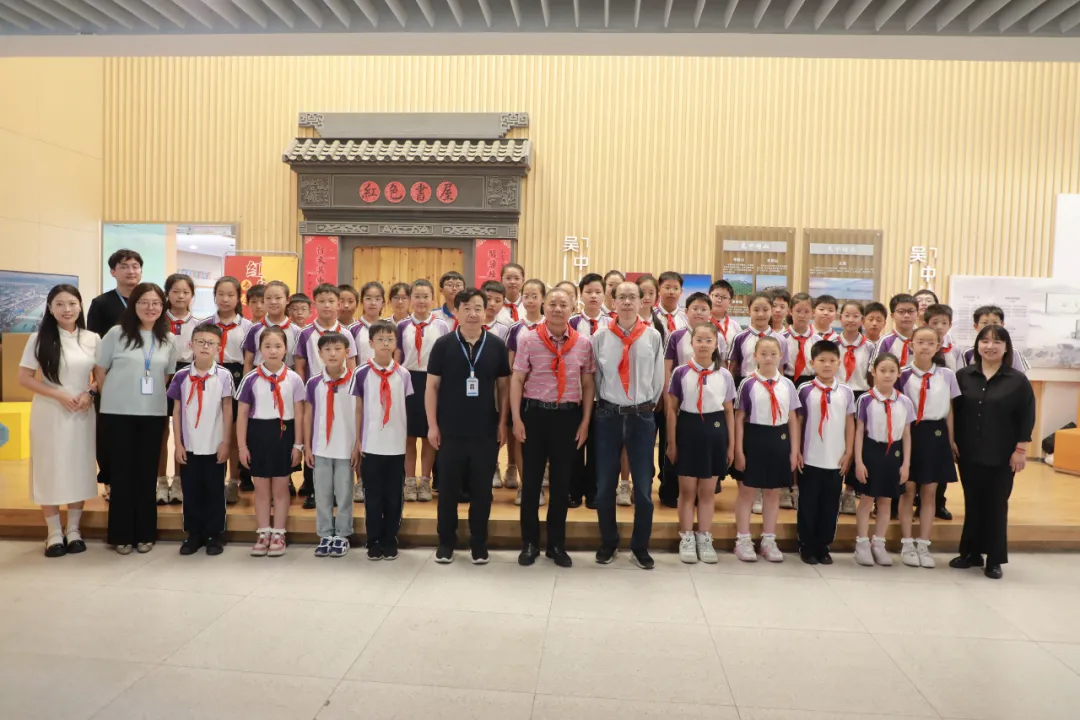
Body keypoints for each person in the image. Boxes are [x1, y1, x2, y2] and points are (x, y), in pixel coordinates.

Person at [511, 287, 595, 568]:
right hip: (534, 415)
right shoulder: (528, 339)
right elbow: (517, 379)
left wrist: (585, 421)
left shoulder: (583, 343)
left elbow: (587, 384)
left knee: (561, 485)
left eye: (563, 304)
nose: (558, 309)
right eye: (553, 304)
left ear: (573, 308)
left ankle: (556, 544)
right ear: (544, 307)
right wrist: (516, 419)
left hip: (567, 418)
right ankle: (530, 543)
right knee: (531, 483)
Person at [427, 288, 511, 564]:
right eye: (466, 308)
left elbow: (504, 389)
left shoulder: (496, 346)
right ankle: (445, 542)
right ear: (456, 311)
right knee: (448, 490)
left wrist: (502, 423)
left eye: (478, 308)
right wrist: (432, 425)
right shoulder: (443, 345)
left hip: (485, 431)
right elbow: (431, 387)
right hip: (449, 430)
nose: (473, 314)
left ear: (486, 312)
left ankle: (478, 543)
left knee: (482, 491)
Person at [93, 282, 178, 555]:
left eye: (156, 303)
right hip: (117, 414)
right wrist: (110, 396)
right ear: (134, 305)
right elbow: (100, 369)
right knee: (122, 474)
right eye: (144, 302)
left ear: (162, 306)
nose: (150, 307)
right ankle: (121, 534)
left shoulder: (169, 339)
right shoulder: (116, 334)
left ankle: (145, 533)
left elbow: (166, 376)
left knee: (146, 474)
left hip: (152, 414)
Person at [17, 284, 100, 557]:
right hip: (50, 412)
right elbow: (24, 378)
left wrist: (89, 393)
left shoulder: (92, 338)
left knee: (79, 466)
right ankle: (53, 532)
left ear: (80, 306)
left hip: (82, 412)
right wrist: (59, 394)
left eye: (72, 303)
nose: (67, 309)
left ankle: (73, 529)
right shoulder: (38, 339)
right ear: (50, 309)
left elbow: (101, 376)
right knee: (49, 467)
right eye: (60, 304)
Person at [951, 325, 1035, 580]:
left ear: (1006, 347)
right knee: (973, 502)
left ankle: (995, 559)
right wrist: (952, 441)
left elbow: (1027, 416)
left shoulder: (1017, 380)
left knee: (996, 505)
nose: (990, 346)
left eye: (997, 342)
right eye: (985, 341)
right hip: (968, 452)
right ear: (977, 345)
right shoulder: (963, 376)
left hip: (1002, 455)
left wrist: (1020, 450)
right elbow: (954, 412)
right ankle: (971, 553)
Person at [591, 281, 665, 570]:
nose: (626, 302)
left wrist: (645, 406)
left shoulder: (652, 336)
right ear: (613, 302)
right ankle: (608, 542)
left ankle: (640, 546)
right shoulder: (600, 336)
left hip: (641, 416)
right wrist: (606, 404)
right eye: (621, 297)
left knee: (644, 488)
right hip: (608, 415)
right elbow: (596, 377)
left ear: (642, 301)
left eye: (632, 297)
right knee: (604, 486)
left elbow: (658, 379)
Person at [666, 322, 735, 564]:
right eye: (699, 340)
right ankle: (686, 537)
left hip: (715, 434)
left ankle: (704, 537)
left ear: (716, 344)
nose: (704, 345)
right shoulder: (680, 372)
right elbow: (672, 409)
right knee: (687, 491)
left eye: (709, 340)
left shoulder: (724, 375)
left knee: (707, 492)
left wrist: (731, 445)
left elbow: (729, 411)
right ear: (691, 343)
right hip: (688, 431)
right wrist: (672, 443)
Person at [236, 326, 306, 557]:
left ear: (286, 349)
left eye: (278, 346)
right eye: (267, 346)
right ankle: (263, 531)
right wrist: (242, 446)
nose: (273, 351)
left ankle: (279, 532)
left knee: (281, 486)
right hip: (258, 434)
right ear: (260, 350)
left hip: (284, 434)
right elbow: (242, 415)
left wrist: (298, 445)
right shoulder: (250, 378)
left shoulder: (294, 379)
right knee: (261, 487)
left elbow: (299, 414)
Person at [895, 326, 959, 568]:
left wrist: (950, 440)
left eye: (931, 342)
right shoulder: (902, 374)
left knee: (929, 492)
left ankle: (923, 543)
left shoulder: (947, 375)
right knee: (908, 490)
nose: (925, 346)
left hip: (936, 434)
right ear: (911, 344)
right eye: (920, 341)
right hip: (910, 433)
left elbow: (950, 411)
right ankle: (906, 542)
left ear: (938, 346)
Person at [733, 336, 801, 563]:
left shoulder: (787, 385)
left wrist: (794, 451)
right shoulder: (747, 383)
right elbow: (739, 418)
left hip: (779, 440)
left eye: (773, 354)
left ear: (781, 356)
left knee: (773, 493)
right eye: (763, 354)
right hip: (753, 439)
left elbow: (792, 418)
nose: (768, 358)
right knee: (747, 492)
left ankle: (768, 539)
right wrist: (739, 451)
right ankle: (743, 538)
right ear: (755, 356)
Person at [167, 323, 233, 556]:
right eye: (200, 342)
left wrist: (226, 442)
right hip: (190, 446)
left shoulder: (223, 376)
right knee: (191, 490)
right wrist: (178, 444)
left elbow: (228, 409)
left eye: (211, 343)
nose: (205, 346)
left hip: (215, 445)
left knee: (214, 490)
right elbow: (176, 411)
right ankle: (193, 533)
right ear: (191, 344)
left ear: (219, 348)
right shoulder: (181, 376)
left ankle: (214, 534)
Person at [351, 321, 413, 560]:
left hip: (396, 445)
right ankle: (374, 539)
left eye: (390, 339)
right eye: (380, 339)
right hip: (371, 444)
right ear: (371, 343)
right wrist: (358, 441)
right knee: (373, 495)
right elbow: (358, 409)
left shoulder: (403, 374)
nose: (385, 344)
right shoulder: (361, 373)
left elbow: (404, 409)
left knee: (394, 495)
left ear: (396, 343)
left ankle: (390, 537)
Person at [87, 248, 143, 501]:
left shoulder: (149, 299)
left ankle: (138, 480)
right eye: (124, 266)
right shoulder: (101, 304)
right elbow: (94, 345)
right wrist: (101, 384)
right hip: (110, 379)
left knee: (140, 432)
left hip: (142, 379)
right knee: (109, 433)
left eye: (135, 266)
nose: (131, 271)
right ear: (113, 272)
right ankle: (110, 481)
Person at [795, 341, 855, 565]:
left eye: (832, 360)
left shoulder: (846, 392)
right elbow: (798, 422)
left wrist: (849, 452)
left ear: (839, 363)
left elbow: (850, 423)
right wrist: (797, 451)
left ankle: (823, 545)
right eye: (822, 360)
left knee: (831, 505)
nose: (827, 365)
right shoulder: (805, 390)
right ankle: (807, 545)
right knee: (808, 503)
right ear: (812, 363)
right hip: (810, 458)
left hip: (836, 459)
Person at [852, 353, 915, 567]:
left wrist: (906, 464)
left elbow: (907, 434)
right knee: (867, 499)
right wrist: (859, 461)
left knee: (886, 500)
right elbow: (859, 431)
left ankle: (879, 542)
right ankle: (862, 543)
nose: (887, 375)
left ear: (899, 373)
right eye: (882, 371)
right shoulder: (865, 399)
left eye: (892, 371)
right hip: (871, 451)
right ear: (874, 372)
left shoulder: (904, 401)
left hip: (893, 453)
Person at [396, 279, 451, 503]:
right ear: (410, 299)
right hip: (408, 380)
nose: (421, 301)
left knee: (430, 434)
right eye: (416, 296)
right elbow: (397, 357)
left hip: (432, 381)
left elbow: (446, 358)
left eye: (425, 296)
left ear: (432, 299)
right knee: (408, 435)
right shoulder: (402, 326)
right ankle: (410, 481)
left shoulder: (442, 326)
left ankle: (426, 480)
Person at [303, 332, 357, 558]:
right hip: (321, 448)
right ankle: (325, 533)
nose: (332, 354)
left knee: (344, 493)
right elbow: (307, 416)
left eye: (338, 349)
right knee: (322, 494)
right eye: (327, 350)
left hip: (346, 448)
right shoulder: (314, 383)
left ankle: (343, 534)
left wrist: (357, 446)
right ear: (320, 354)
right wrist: (307, 446)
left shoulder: (356, 380)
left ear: (347, 352)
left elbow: (361, 414)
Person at [568, 273, 612, 509]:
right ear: (581, 295)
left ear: (605, 295)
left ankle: (594, 492)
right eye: (588, 292)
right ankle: (573, 491)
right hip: (575, 393)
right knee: (574, 444)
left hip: (604, 395)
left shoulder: (613, 323)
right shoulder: (571, 322)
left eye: (598, 292)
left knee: (599, 446)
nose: (593, 296)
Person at [210, 276, 253, 504]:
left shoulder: (248, 327)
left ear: (238, 298)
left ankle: (234, 482)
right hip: (210, 375)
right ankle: (214, 479)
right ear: (214, 296)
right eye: (221, 294)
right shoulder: (205, 324)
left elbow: (249, 360)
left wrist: (244, 386)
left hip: (237, 376)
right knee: (213, 431)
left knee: (235, 433)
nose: (225, 299)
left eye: (230, 295)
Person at [159, 273, 198, 507]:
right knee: (161, 431)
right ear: (167, 294)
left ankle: (179, 481)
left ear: (192, 295)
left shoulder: (199, 324)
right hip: (160, 375)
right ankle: (160, 481)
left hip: (188, 376)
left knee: (183, 432)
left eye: (185, 292)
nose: (180, 296)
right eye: (175, 291)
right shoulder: (157, 321)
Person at [506, 279, 546, 505]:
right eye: (526, 296)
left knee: (544, 443)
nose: (530, 300)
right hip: (522, 393)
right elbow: (511, 367)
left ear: (543, 299)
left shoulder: (552, 325)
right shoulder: (515, 328)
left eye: (535, 296)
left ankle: (539, 485)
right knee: (523, 441)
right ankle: (526, 485)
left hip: (547, 394)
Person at [348, 281, 386, 503]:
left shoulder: (389, 327)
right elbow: (351, 361)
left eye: (377, 299)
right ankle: (361, 481)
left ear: (383, 303)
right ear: (362, 302)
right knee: (361, 434)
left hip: (386, 387)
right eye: (368, 298)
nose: (373, 303)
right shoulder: (353, 329)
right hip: (362, 388)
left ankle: (381, 480)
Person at [836, 301, 872, 516]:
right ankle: (833, 487)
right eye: (847, 315)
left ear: (862, 320)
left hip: (860, 395)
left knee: (856, 443)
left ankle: (849, 491)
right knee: (836, 440)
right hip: (836, 393)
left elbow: (871, 376)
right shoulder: (831, 343)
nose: (850, 320)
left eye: (855, 316)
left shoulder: (870, 347)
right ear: (840, 318)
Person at [243, 280, 302, 373]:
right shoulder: (255, 329)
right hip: (259, 376)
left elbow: (299, 364)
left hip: (287, 377)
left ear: (287, 300)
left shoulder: (297, 331)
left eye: (278, 298)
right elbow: (248, 362)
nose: (273, 302)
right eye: (268, 298)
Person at [961, 305, 1031, 373]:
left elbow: (1020, 377)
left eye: (995, 323)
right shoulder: (968, 353)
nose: (990, 326)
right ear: (976, 326)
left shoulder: (1014, 353)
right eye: (985, 323)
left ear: (1002, 324)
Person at [873, 294, 919, 367]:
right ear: (892, 316)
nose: (906, 315)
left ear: (917, 314)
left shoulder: (924, 339)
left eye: (911, 311)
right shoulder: (885, 341)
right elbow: (875, 369)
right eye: (901, 311)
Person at [925, 304, 964, 373]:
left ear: (950, 325)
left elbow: (959, 373)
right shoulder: (921, 347)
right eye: (935, 323)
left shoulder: (955, 349)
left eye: (944, 323)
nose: (939, 327)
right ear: (926, 324)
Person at [708, 279, 742, 351]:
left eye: (724, 297)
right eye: (716, 296)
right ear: (708, 296)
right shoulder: (701, 322)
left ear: (730, 302)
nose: (719, 300)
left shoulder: (735, 326)